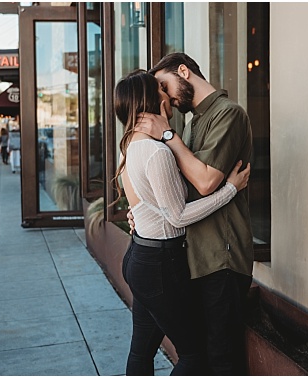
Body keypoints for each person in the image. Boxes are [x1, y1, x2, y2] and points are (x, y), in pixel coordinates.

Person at [112, 69, 250, 375]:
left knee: (141, 351)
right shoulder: (156, 152)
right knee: (195, 355)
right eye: (160, 89)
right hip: (159, 264)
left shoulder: (132, 147)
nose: (166, 94)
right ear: (152, 100)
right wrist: (229, 190)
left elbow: (149, 206)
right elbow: (178, 216)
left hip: (141, 257)